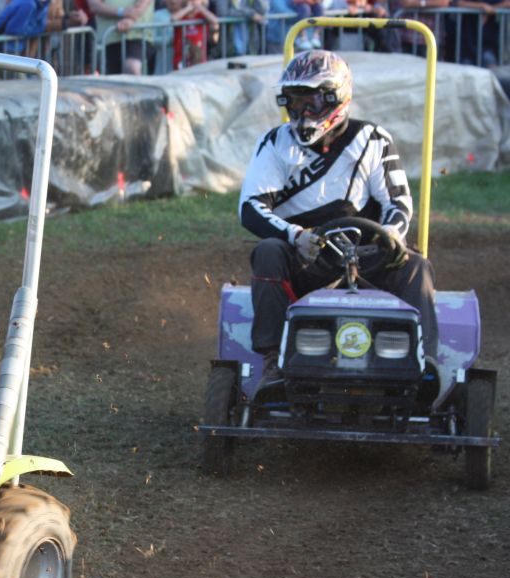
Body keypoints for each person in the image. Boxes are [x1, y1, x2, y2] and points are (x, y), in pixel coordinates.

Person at [239, 50, 437, 386]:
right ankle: (272, 361)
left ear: (336, 98)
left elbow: (399, 203)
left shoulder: (372, 139)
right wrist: (296, 237)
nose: (301, 112)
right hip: (306, 262)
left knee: (417, 266)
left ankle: (424, 363)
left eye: (311, 102)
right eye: (294, 101)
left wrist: (391, 235)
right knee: (269, 252)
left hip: (368, 257)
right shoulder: (275, 143)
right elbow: (250, 208)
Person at [86, 0, 154, 74]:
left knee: (132, 67)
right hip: (109, 39)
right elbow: (94, 6)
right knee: (115, 81)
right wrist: (122, 12)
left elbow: (143, 3)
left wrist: (131, 18)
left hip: (138, 35)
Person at [164, 0, 217, 69]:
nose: (193, 2)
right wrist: (189, 8)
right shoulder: (182, 15)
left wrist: (200, 7)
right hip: (181, 59)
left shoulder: (201, 16)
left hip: (198, 59)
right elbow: (173, 19)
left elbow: (214, 20)